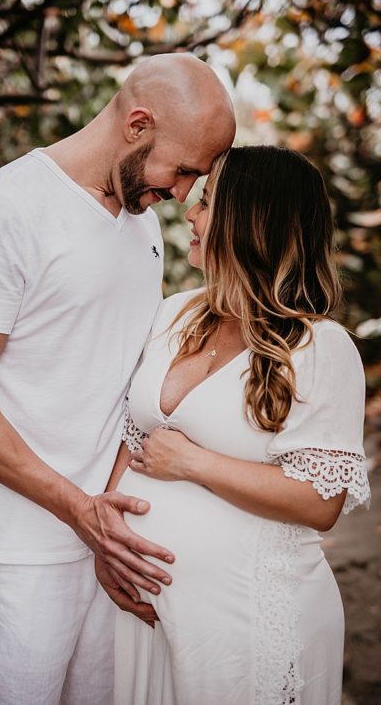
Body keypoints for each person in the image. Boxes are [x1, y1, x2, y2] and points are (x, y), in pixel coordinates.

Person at [0, 53, 236, 703]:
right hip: (20, 546)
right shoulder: (9, 205)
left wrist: (107, 523)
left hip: (111, 539)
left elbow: (125, 384)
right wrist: (79, 510)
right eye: (182, 170)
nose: (182, 195)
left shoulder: (143, 228)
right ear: (137, 124)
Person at [109, 146, 369, 704]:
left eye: (206, 203)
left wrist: (195, 463)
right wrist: (108, 536)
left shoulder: (319, 348)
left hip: (246, 619)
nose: (189, 213)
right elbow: (132, 441)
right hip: (146, 609)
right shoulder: (173, 313)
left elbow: (319, 502)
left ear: (251, 221)